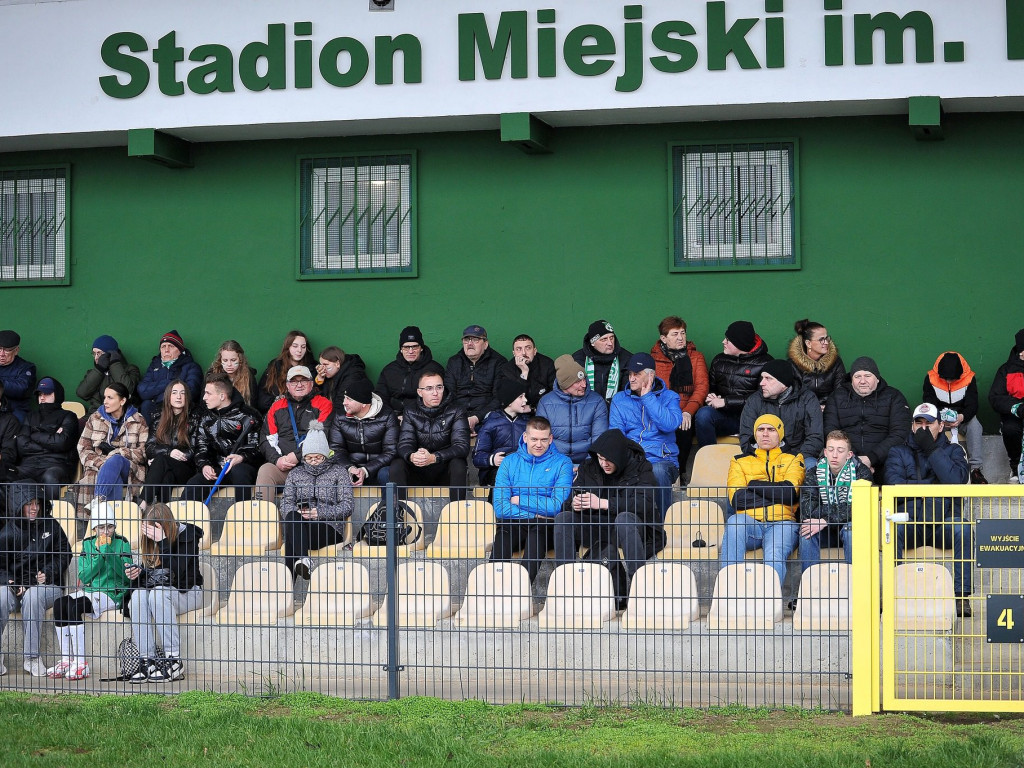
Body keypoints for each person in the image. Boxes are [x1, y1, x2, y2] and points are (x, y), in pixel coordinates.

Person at [552, 428, 664, 608]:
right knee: (564, 518)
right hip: (596, 526)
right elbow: (567, 502)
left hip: (632, 528)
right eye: (600, 458)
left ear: (619, 456)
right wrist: (574, 504)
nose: (603, 464)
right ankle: (567, 587)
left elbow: (646, 504)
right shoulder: (589, 466)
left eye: (608, 459)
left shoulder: (641, 467)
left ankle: (640, 590)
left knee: (624, 519)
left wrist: (603, 503)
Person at [885, 403, 973, 616]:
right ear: (912, 425)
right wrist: (932, 487)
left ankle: (961, 597)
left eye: (929, 423)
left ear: (941, 425)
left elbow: (955, 481)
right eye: (919, 422)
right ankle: (892, 593)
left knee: (963, 529)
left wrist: (931, 449)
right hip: (911, 520)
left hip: (943, 521)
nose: (923, 428)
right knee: (892, 530)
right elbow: (893, 485)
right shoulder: (898, 450)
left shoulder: (954, 450)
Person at [719, 414, 805, 590]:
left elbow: (789, 494)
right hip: (751, 525)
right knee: (735, 521)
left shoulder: (795, 458)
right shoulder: (739, 460)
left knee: (774, 552)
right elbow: (737, 500)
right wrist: (775, 492)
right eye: (761, 429)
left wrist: (752, 485)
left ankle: (768, 601)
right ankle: (728, 593)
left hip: (783, 523)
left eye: (771, 429)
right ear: (755, 433)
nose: (765, 434)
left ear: (780, 433)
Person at [47, 502, 131, 680]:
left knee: (75, 606)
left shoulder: (122, 542)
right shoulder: (87, 544)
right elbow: (84, 577)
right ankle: (66, 660)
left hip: (112, 593)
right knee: (60, 603)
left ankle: (81, 663)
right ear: (94, 529)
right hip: (92, 590)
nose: (106, 531)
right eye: (101, 527)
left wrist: (108, 553)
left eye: (110, 527)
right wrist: (100, 556)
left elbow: (125, 577)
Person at [125, 503, 204, 682]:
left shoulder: (189, 536)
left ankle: (173, 659)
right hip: (162, 594)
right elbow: (155, 575)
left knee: (158, 593)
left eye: (155, 533)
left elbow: (177, 574)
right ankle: (147, 660)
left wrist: (163, 543)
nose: (151, 538)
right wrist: (139, 572)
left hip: (188, 592)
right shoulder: (153, 540)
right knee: (137, 595)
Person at [0, 484, 72, 677]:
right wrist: (12, 583)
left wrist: (47, 572)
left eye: (37, 503)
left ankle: (32, 658)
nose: (34, 508)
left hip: (47, 585)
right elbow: (1, 567)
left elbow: (64, 554)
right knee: (0, 596)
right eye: (29, 504)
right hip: (15, 586)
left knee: (32, 596)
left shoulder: (51, 525)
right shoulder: (7, 532)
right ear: (18, 506)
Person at [490, 416, 573, 582]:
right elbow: (500, 507)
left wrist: (520, 499)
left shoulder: (563, 463)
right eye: (534, 439)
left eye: (543, 440)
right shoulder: (509, 462)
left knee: (537, 533)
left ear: (550, 439)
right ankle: (492, 588)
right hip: (517, 521)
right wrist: (535, 515)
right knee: (503, 534)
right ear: (525, 437)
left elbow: (557, 506)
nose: (538, 444)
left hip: (545, 526)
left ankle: (522, 589)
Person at [609, 352, 683, 516]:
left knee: (657, 471)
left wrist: (648, 397)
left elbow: (669, 424)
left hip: (663, 460)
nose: (632, 378)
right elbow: (616, 436)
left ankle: (664, 525)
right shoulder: (620, 399)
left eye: (637, 374)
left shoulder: (670, 397)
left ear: (651, 376)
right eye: (630, 374)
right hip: (632, 460)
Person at [280, 421, 353, 579]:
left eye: (318, 457)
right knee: (292, 518)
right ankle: (304, 559)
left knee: (292, 540)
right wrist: (299, 513)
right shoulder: (295, 473)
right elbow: (286, 502)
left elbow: (347, 506)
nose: (313, 461)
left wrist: (319, 513)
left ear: (325, 455)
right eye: (309, 457)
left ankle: (287, 591)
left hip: (329, 527)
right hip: (301, 524)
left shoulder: (339, 472)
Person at [823, 356, 909, 482]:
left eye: (867, 376)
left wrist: (871, 459)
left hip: (885, 463)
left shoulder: (894, 397)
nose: (862, 381)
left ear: (877, 379)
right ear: (851, 379)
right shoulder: (837, 397)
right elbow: (830, 431)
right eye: (857, 376)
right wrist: (856, 461)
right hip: (845, 461)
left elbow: (900, 433)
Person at [798, 430, 874, 572]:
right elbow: (808, 509)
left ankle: (856, 587)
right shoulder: (813, 473)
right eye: (831, 450)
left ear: (849, 455)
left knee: (851, 530)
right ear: (825, 452)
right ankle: (810, 589)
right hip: (823, 530)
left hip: (847, 528)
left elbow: (859, 508)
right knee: (806, 533)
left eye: (840, 450)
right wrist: (833, 515)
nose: (834, 455)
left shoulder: (861, 472)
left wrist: (825, 519)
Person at [389, 371, 470, 501]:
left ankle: (457, 515)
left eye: (439, 387)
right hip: (418, 468)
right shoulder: (410, 410)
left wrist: (434, 457)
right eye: (429, 388)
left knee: (458, 464)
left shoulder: (456, 410)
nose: (435, 393)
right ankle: (398, 514)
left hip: (444, 468)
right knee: (397, 464)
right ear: (420, 392)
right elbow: (405, 443)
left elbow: (462, 447)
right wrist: (412, 456)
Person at [255, 366, 333, 501]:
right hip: (284, 466)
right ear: (287, 385)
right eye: (294, 381)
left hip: (312, 466)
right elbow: (266, 438)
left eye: (303, 380)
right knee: (266, 469)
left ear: (311, 383)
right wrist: (277, 460)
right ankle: (263, 519)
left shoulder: (323, 404)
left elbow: (321, 435)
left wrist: (297, 456)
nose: (299, 385)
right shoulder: (277, 406)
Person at [182, 375, 263, 503]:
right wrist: (204, 465)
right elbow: (201, 447)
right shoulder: (205, 417)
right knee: (194, 484)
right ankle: (185, 523)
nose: (204, 398)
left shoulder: (249, 415)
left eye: (208, 393)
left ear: (222, 396)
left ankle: (242, 521)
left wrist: (241, 457)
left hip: (244, 468)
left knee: (239, 472)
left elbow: (258, 447)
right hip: (218, 468)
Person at [695, 321, 772, 447]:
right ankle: (708, 460)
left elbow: (762, 398)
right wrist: (711, 398)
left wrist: (726, 401)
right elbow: (711, 389)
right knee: (704, 414)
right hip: (725, 417)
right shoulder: (719, 360)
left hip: (752, 420)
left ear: (739, 344)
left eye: (728, 340)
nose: (723, 342)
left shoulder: (765, 363)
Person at [76, 382, 149, 512]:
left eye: (110, 398)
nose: (105, 401)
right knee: (114, 476)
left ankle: (99, 499)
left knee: (116, 459)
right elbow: (83, 448)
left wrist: (119, 452)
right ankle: (113, 523)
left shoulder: (138, 420)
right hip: (99, 466)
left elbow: (143, 453)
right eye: (104, 397)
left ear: (122, 401)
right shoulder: (95, 418)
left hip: (129, 468)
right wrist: (103, 463)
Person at [650, 316, 709, 476]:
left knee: (683, 426)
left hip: (687, 411)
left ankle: (680, 472)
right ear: (663, 338)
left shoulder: (696, 357)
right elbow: (653, 391)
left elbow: (701, 388)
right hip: (665, 411)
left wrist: (687, 411)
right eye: (675, 334)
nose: (681, 338)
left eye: (683, 333)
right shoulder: (654, 359)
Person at [738, 358, 824, 466]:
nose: (762, 383)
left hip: (797, 458)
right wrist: (768, 459)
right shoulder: (754, 401)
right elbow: (746, 438)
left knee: (811, 465)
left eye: (768, 379)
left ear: (784, 384)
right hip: (763, 459)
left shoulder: (807, 399)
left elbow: (815, 437)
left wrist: (795, 460)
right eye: (762, 378)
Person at [923, 351, 988, 484]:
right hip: (940, 419)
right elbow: (929, 404)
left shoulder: (969, 378)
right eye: (945, 378)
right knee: (926, 424)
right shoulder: (930, 378)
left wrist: (961, 417)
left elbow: (972, 405)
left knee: (975, 425)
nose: (948, 381)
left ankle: (975, 470)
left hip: (962, 418)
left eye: (952, 379)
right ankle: (929, 468)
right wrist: (940, 420)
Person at [12, 377, 80, 502]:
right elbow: (22, 445)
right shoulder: (30, 416)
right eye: (40, 394)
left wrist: (34, 435)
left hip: (56, 464)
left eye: (47, 393)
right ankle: (12, 520)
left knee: (51, 476)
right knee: (9, 473)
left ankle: (50, 519)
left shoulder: (68, 416)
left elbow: (61, 443)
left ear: (57, 395)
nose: (42, 397)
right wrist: (51, 440)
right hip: (30, 464)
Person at [536, 355, 609, 465]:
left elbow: (599, 439)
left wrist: (587, 467)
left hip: (588, 461)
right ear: (565, 384)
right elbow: (541, 439)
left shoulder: (596, 401)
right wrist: (559, 465)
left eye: (584, 379)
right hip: (555, 461)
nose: (584, 384)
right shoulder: (546, 403)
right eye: (578, 381)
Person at [328, 378, 399, 488]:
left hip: (378, 468)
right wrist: (350, 468)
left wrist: (366, 470)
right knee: (334, 472)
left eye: (349, 399)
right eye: (344, 398)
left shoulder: (387, 416)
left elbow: (390, 451)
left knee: (387, 473)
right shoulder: (340, 417)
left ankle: (388, 505)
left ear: (363, 404)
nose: (344, 403)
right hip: (351, 467)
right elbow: (336, 449)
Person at [444, 324, 507, 434]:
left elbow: (499, 398)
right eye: (466, 339)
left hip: (487, 416)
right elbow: (448, 394)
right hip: (457, 416)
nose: (470, 344)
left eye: (475, 340)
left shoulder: (498, 362)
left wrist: (477, 418)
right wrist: (460, 418)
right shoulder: (454, 362)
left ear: (485, 344)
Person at [142, 379, 196, 507]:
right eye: (174, 393)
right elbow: (149, 447)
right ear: (168, 396)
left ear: (187, 397)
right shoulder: (158, 418)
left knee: (161, 460)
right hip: (166, 469)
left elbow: (195, 449)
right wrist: (169, 452)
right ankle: (163, 513)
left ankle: (143, 503)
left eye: (182, 393)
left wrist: (171, 455)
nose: (178, 396)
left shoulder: (195, 417)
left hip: (186, 468)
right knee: (166, 477)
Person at [137, 330, 203, 427]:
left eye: (171, 346)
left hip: (180, 412)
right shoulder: (154, 366)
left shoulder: (191, 367)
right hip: (156, 411)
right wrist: (170, 383)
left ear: (180, 350)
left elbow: (191, 392)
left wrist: (157, 394)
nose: (166, 350)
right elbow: (143, 390)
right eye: (163, 347)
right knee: (146, 404)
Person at [473, 378, 531, 487]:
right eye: (521, 397)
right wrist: (492, 459)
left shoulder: (527, 423)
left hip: (524, 469)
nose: (525, 400)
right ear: (509, 402)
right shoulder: (491, 423)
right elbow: (477, 457)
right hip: (497, 471)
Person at [375, 326, 445, 416]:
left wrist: (410, 418)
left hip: (422, 417)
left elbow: (440, 398)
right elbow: (380, 398)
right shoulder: (389, 370)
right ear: (401, 349)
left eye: (415, 347)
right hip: (394, 417)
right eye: (406, 347)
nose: (411, 351)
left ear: (421, 348)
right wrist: (391, 418)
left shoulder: (435, 369)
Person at [988, 329, 1024, 481]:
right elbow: (995, 397)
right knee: (1010, 429)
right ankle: (1016, 467)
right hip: (1014, 415)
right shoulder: (1006, 370)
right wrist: (1016, 407)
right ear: (1021, 351)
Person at [572, 319, 632, 406]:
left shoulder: (626, 359)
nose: (610, 343)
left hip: (617, 410)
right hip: (586, 411)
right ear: (592, 342)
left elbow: (628, 393)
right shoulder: (577, 360)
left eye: (612, 338)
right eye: (604, 339)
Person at [787, 319, 846, 407]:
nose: (826, 342)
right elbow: (792, 395)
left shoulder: (836, 362)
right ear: (808, 343)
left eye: (827, 338)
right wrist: (814, 408)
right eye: (821, 339)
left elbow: (840, 391)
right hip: (803, 411)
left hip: (829, 410)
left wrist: (828, 407)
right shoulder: (793, 364)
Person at [75, 334, 141, 413]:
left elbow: (127, 390)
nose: (96, 357)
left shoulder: (131, 370)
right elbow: (82, 393)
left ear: (111, 354)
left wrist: (114, 363)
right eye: (94, 353)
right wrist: (99, 370)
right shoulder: (92, 373)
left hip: (121, 416)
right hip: (96, 415)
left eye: (99, 353)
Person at [257, 330, 316, 413]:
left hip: (306, 415)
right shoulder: (275, 367)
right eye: (295, 346)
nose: (299, 350)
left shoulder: (313, 368)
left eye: (303, 347)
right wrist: (279, 401)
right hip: (279, 415)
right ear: (288, 347)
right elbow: (262, 401)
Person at [497, 334, 556, 411]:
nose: (524, 353)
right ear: (514, 353)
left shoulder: (547, 364)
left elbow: (555, 393)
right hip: (518, 413)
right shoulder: (507, 369)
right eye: (519, 349)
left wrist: (534, 407)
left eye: (528, 348)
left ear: (534, 351)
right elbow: (508, 399)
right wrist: (524, 373)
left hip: (543, 410)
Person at [207, 340, 257, 407]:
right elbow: (204, 402)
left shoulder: (248, 377)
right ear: (220, 360)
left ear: (240, 360)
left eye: (233, 360)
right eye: (225, 360)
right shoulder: (211, 375)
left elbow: (253, 405)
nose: (229, 364)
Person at [0, 330, 36, 423]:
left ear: (16, 350)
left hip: (14, 411)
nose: (1, 354)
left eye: (7, 350)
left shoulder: (26, 368)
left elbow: (21, 389)